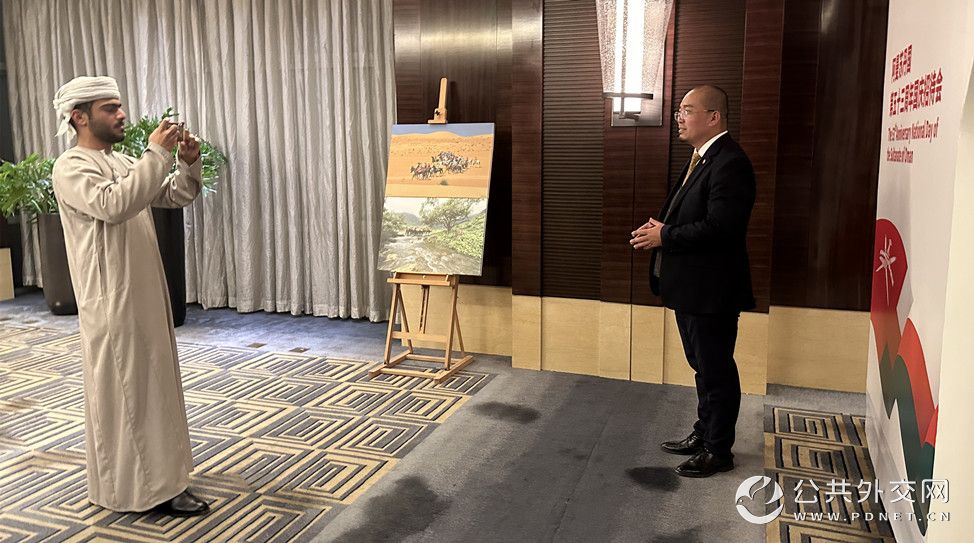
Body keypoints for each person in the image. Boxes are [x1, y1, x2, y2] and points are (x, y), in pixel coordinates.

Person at [51, 76, 208, 515]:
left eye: (119, 106)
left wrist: (187, 163)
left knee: (155, 390)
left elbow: (174, 194)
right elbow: (115, 204)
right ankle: (132, 491)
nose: (121, 115)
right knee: (127, 395)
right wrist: (155, 153)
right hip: (111, 301)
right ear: (80, 117)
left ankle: (166, 480)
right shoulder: (71, 167)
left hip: (144, 294)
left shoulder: (120, 160)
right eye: (110, 108)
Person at [630, 85, 756, 478]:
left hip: (712, 290)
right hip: (692, 288)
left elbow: (722, 228)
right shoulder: (702, 158)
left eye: (687, 110)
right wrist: (664, 227)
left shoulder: (729, 162)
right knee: (702, 366)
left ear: (713, 117)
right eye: (679, 112)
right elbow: (693, 216)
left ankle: (719, 450)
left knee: (716, 370)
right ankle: (705, 432)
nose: (679, 119)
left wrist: (665, 235)